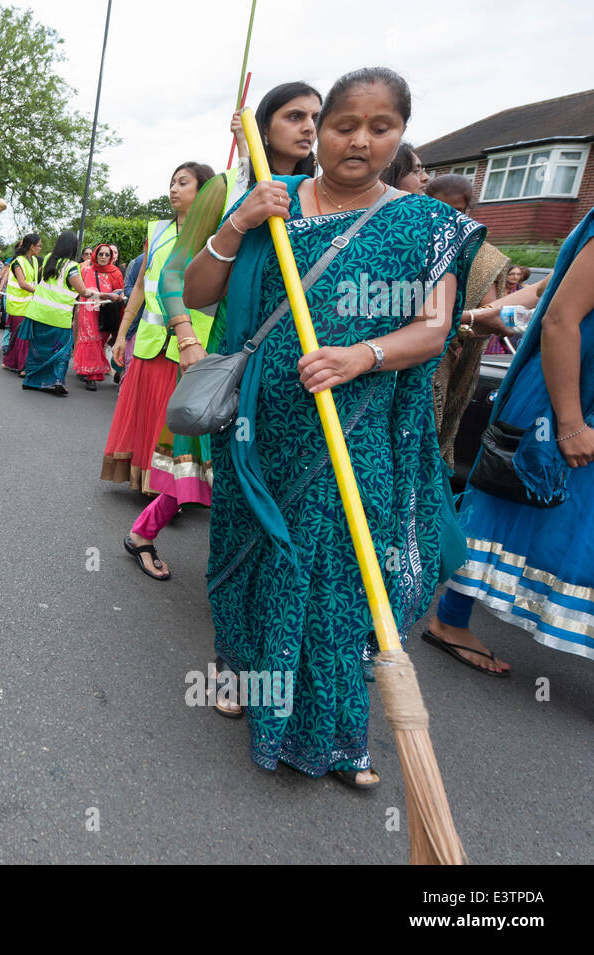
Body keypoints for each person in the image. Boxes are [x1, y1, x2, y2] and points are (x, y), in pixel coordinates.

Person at [182, 67, 485, 786]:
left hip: (358, 433)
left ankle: (338, 734)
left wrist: (360, 356)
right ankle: (243, 674)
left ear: (402, 135)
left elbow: (435, 328)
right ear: (320, 132)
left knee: (343, 578)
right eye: (343, 125)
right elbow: (198, 290)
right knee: (254, 554)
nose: (359, 140)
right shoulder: (274, 204)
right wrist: (239, 221)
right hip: (264, 428)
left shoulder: (421, 224)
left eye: (382, 128)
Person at [124, 84, 322, 581]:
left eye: (316, 117)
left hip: (303, 358)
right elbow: (173, 275)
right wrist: (187, 339)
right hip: (232, 352)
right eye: (294, 116)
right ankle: (155, 538)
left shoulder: (321, 193)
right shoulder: (226, 190)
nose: (308, 127)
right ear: (262, 125)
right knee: (215, 457)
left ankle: (271, 577)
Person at [426, 209, 594, 670]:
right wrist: (572, 423)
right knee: (504, 504)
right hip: (564, 400)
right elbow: (557, 314)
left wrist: (470, 317)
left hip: (567, 399)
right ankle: (449, 618)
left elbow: (545, 290)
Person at [101, 161, 214, 490]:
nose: (174, 189)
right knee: (146, 414)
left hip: (191, 346)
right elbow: (139, 288)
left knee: (175, 418)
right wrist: (122, 335)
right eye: (172, 183)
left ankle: (172, 486)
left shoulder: (216, 234)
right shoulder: (158, 231)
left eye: (183, 183)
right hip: (150, 343)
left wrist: (243, 142)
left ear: (204, 191)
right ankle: (144, 479)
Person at [424, 174, 512, 471]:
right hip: (402, 359)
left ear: (468, 211)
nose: (449, 217)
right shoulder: (409, 242)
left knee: (428, 442)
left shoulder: (482, 254)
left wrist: (456, 324)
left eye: (458, 211)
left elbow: (488, 313)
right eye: (439, 208)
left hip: (446, 360)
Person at [22, 230, 91, 395]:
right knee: (62, 350)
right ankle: (55, 381)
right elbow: (83, 291)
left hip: (38, 313)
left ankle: (31, 380)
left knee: (37, 349)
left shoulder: (47, 260)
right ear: (74, 247)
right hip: (58, 318)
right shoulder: (72, 267)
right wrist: (104, 295)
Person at [73, 243, 125, 390]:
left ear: (111, 257)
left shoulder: (116, 272)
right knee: (91, 340)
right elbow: (82, 291)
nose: (103, 257)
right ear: (96, 255)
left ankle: (89, 368)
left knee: (100, 341)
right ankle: (91, 376)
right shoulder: (86, 270)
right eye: (101, 254)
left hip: (107, 312)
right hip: (88, 310)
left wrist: (114, 298)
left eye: (106, 255)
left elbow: (120, 293)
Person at [0, 233, 40, 372]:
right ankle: (23, 367)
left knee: (19, 335)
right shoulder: (17, 261)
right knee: (22, 335)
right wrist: (40, 292)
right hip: (18, 304)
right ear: (31, 246)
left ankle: (9, 362)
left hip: (29, 303)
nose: (40, 248)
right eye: (39, 246)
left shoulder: (34, 260)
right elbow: (22, 283)